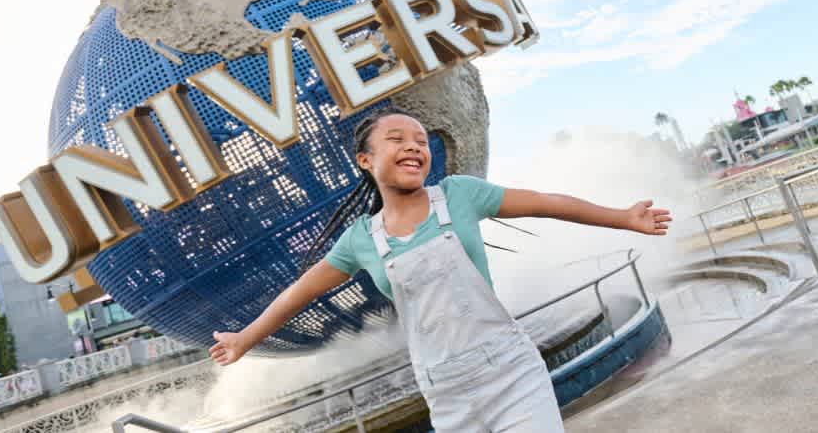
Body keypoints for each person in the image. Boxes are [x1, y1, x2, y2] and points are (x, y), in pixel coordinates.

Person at [209, 108, 672, 432]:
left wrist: (622, 216)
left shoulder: (459, 195)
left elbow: (547, 203)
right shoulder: (361, 240)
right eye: (397, 140)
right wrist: (244, 339)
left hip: (510, 370)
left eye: (420, 141)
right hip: (445, 391)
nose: (414, 148)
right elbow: (298, 294)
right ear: (365, 160)